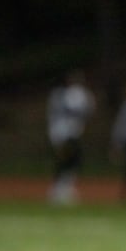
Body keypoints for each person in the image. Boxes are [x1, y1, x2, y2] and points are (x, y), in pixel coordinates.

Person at [46, 68, 95, 205]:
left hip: (73, 133)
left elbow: (88, 109)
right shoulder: (59, 95)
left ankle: (64, 188)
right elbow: (55, 116)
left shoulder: (80, 95)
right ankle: (58, 190)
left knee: (74, 161)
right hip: (62, 133)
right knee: (64, 161)